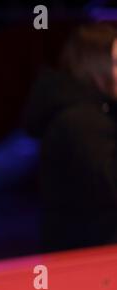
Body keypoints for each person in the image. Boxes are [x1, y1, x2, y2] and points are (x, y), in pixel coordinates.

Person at [25, 23, 117, 252]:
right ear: (94, 65)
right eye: (116, 63)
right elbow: (109, 186)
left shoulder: (92, 111)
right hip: (85, 258)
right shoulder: (81, 121)